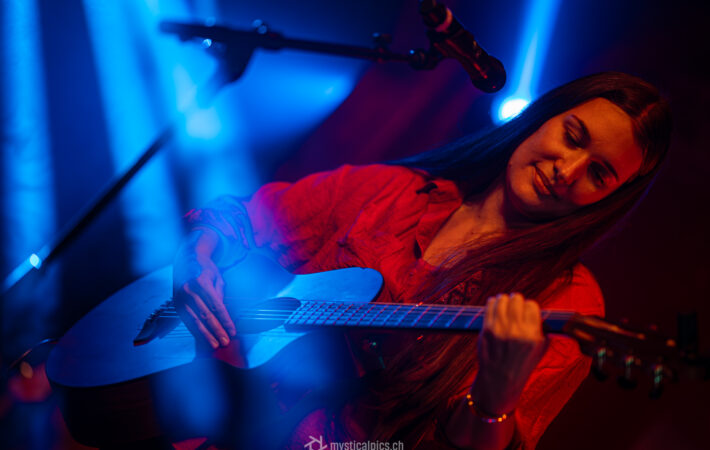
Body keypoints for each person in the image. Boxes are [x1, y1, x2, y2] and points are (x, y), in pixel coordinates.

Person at [172, 72, 672, 449]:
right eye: (573, 136)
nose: (569, 170)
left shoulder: (568, 300)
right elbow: (244, 214)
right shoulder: (398, 191)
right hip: (199, 414)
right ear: (544, 116)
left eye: (599, 174)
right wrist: (197, 255)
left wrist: (496, 395)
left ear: (607, 199)